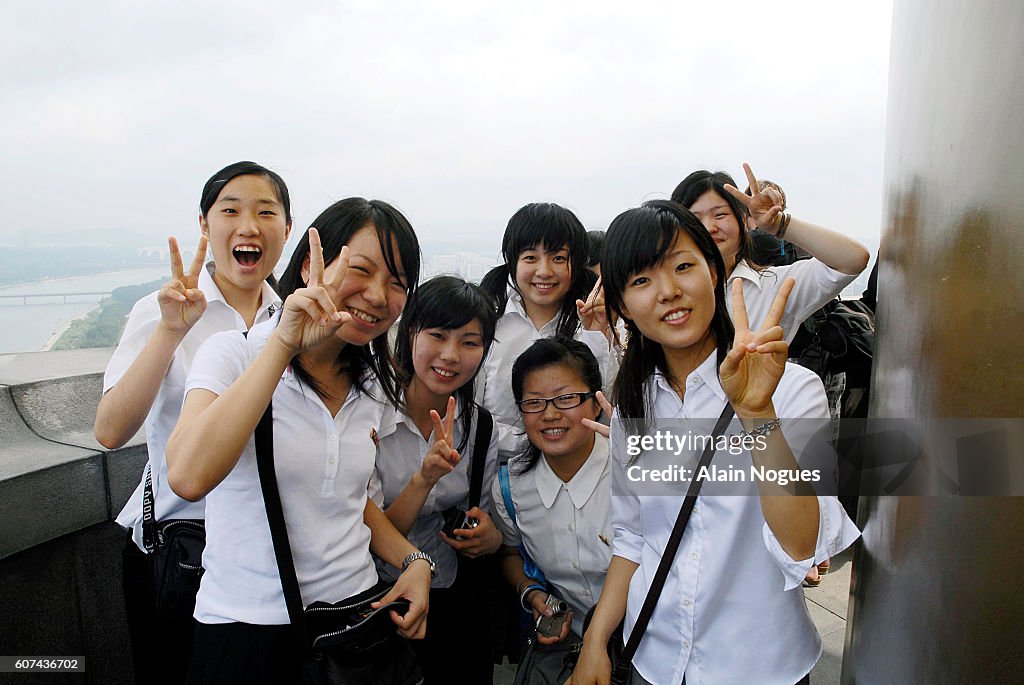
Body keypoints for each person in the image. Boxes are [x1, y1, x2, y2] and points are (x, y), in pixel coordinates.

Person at [568, 200, 859, 685]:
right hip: (654, 661)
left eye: (684, 266)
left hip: (760, 663)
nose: (668, 292)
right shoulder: (634, 407)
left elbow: (800, 543)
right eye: (641, 281)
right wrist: (596, 641)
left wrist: (758, 415)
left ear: (715, 272)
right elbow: (634, 538)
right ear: (620, 306)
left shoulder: (791, 388)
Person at [165, 199, 431, 683]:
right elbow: (186, 475)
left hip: (356, 621)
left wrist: (413, 561)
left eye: (397, 283)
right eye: (361, 270)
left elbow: (351, 503)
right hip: (247, 625)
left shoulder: (374, 384)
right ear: (311, 264)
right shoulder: (232, 353)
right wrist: (284, 345)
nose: (377, 295)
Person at [94, 161, 292, 683]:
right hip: (181, 552)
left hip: (260, 556)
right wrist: (169, 332)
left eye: (265, 212)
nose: (248, 226)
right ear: (204, 226)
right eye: (230, 211)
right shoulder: (162, 311)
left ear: (287, 230)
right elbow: (111, 430)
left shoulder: (288, 321)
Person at [369, 274, 504, 684]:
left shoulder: (479, 425)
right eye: (438, 335)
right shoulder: (370, 417)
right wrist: (423, 479)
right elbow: (370, 532)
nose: (451, 355)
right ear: (409, 332)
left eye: (469, 342)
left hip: (453, 596)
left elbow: (484, 513)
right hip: (377, 598)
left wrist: (489, 538)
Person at [490, 337, 612, 684]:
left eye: (567, 398)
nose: (550, 414)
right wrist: (532, 593)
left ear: (595, 402)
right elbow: (509, 552)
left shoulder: (634, 467)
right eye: (534, 403)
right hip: (571, 646)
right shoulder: (510, 487)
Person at [671, 163, 869, 343]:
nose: (709, 227)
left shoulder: (774, 286)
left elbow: (853, 259)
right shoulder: (664, 290)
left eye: (720, 215)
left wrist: (778, 224)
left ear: (742, 219)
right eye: (695, 219)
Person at [478, 203, 614, 429]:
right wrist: (529, 449)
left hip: (573, 460)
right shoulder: (489, 320)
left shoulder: (595, 323)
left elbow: (606, 407)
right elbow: (472, 411)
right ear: (512, 261)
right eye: (531, 258)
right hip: (495, 460)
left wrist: (598, 336)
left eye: (558, 258)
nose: (544, 271)